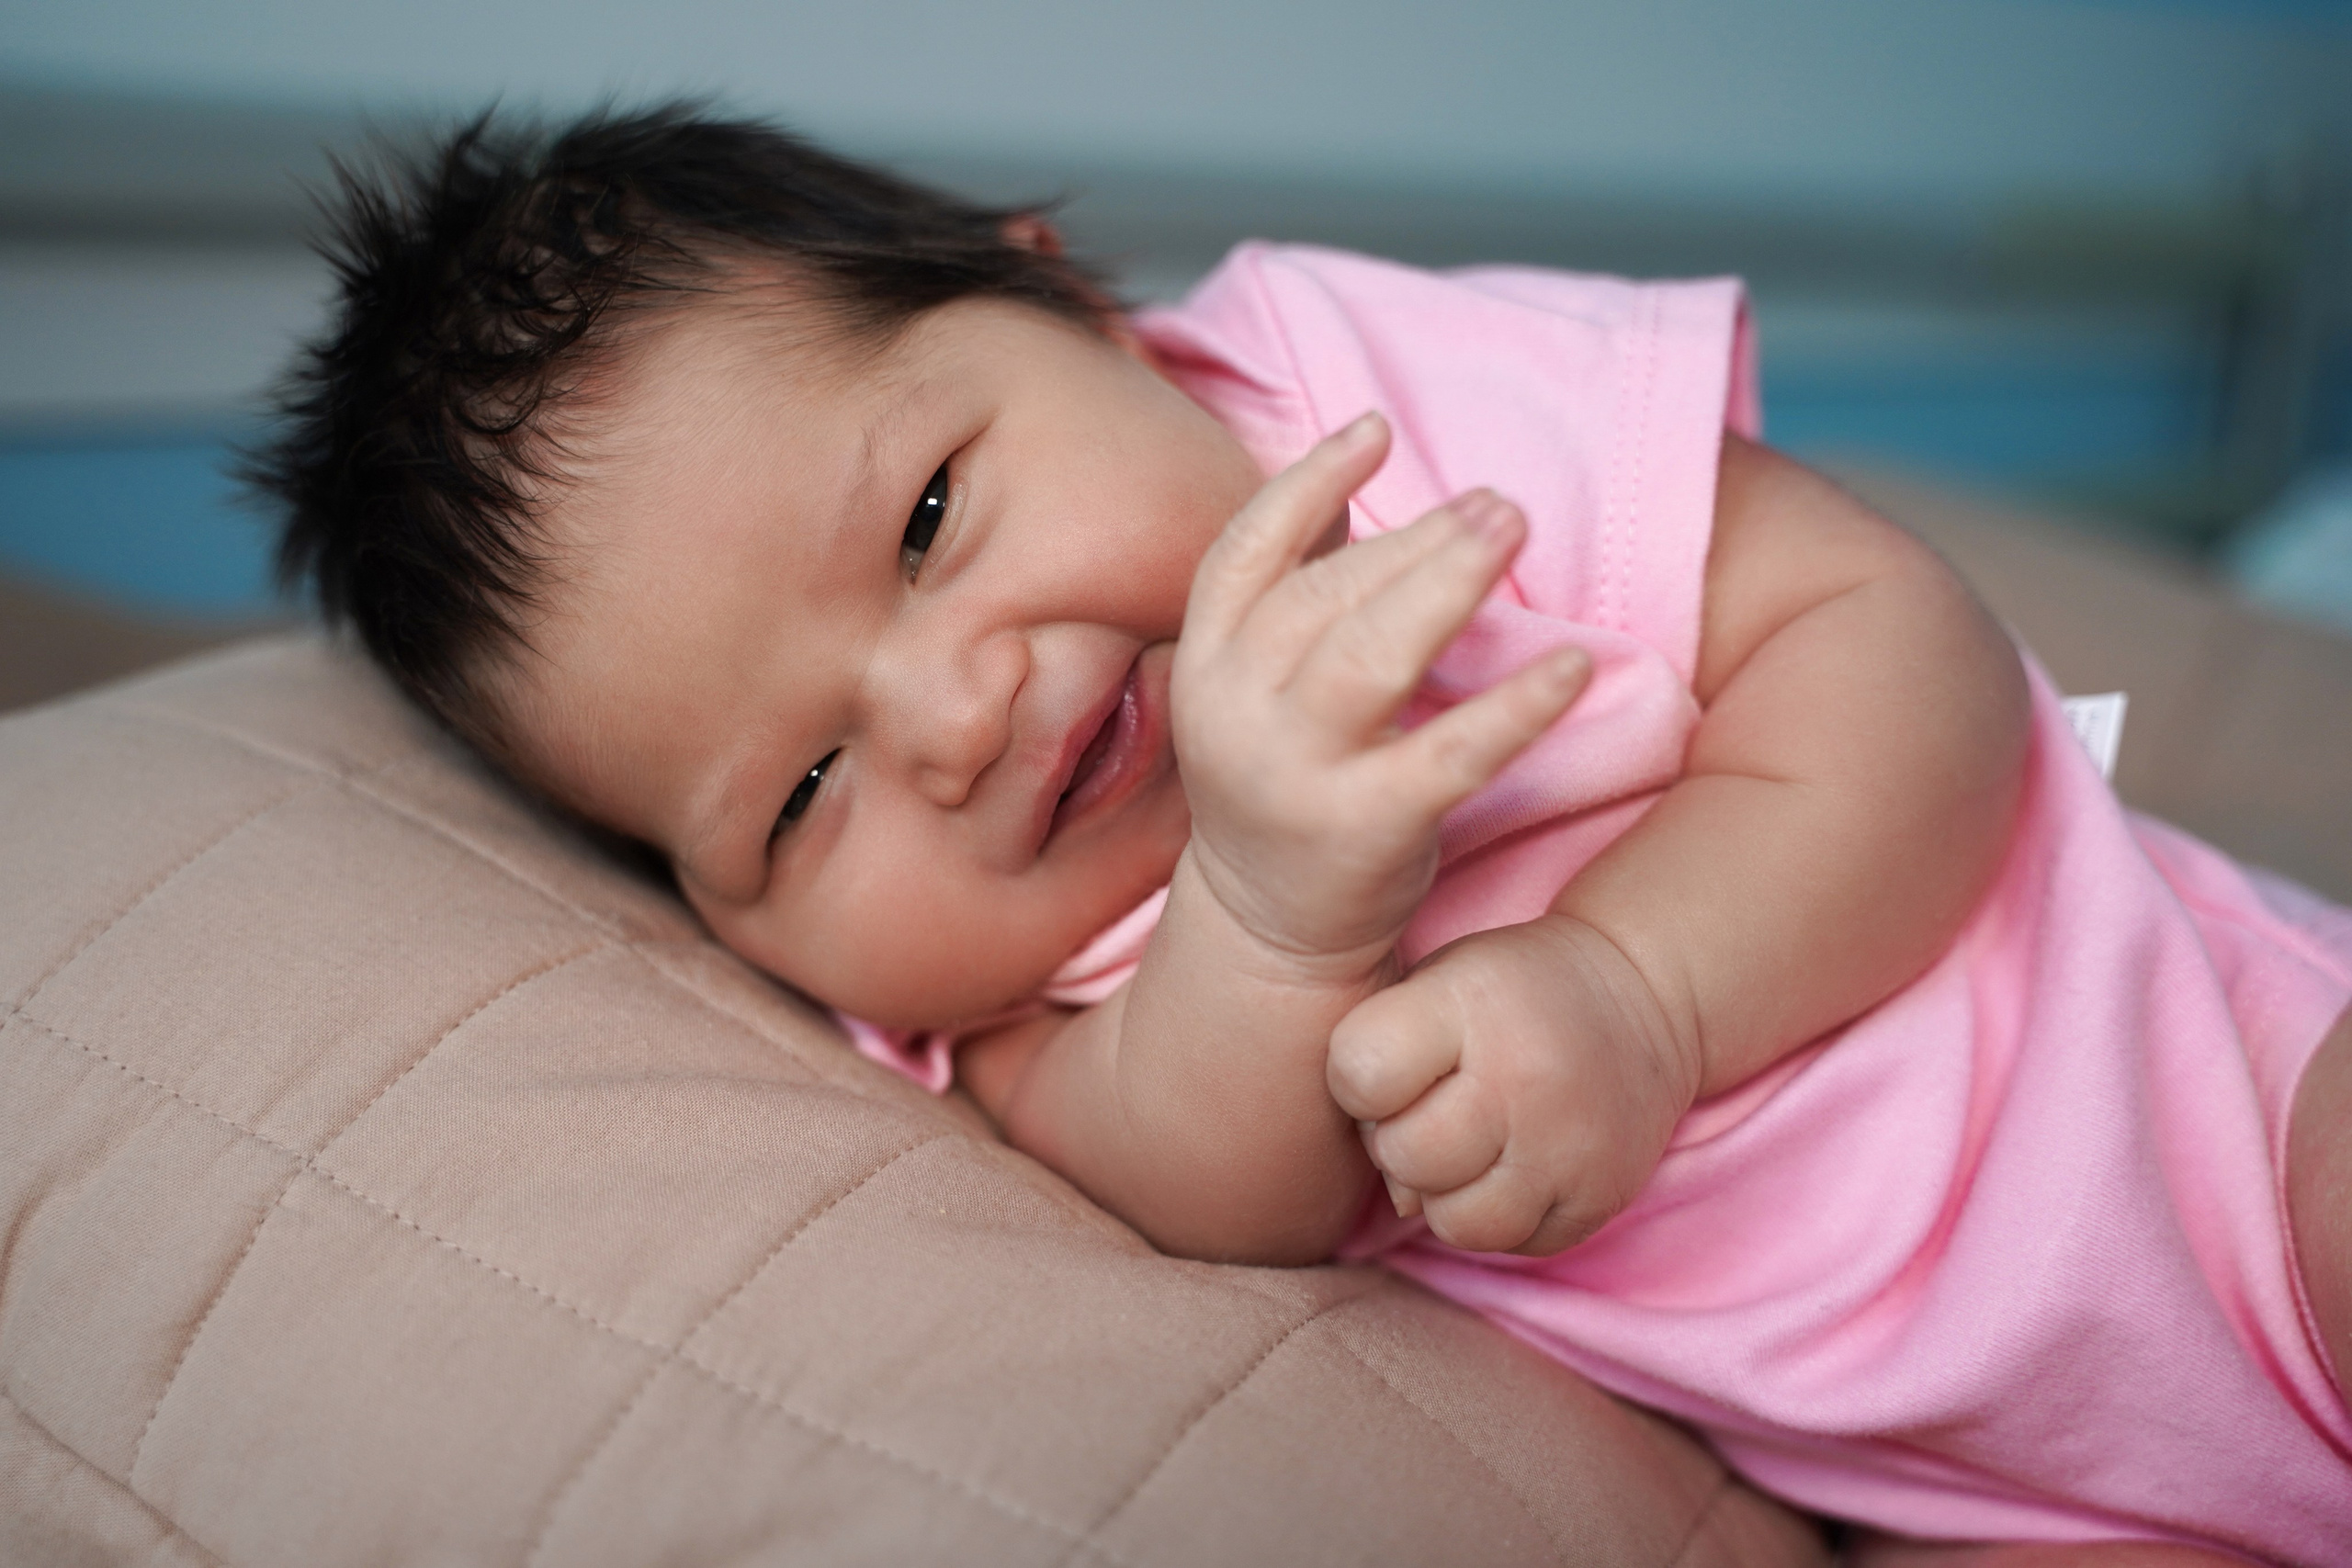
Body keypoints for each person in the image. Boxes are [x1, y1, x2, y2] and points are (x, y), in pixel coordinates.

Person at [250, 105, 2352, 1563]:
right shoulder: (1004, 985)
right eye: (797, 796)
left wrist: (1634, 987)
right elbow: (1213, 1183)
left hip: (2224, 1103)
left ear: (1077, 308)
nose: (952, 712)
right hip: (2021, 1492)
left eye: (922, 522)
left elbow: (1896, 643)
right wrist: (1260, 911)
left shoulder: (1349, 397)